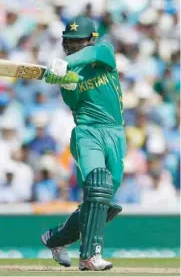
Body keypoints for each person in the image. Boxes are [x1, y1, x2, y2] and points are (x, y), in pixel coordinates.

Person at [41, 16, 126, 271]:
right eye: (71, 43)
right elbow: (73, 102)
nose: (76, 47)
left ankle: (55, 238)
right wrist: (67, 82)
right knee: (98, 184)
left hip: (115, 133)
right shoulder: (69, 71)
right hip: (87, 133)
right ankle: (89, 256)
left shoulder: (104, 53)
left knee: (103, 203)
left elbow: (88, 55)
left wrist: (64, 64)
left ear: (91, 40)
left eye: (80, 42)